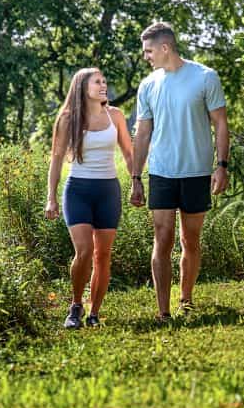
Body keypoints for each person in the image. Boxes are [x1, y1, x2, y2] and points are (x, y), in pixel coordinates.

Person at [129, 22, 229, 322]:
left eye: (148, 51)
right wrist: (136, 177)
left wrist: (221, 166)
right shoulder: (148, 85)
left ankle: (186, 298)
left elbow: (221, 124)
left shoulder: (205, 77)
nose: (146, 56)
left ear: (164, 47)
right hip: (161, 171)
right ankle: (163, 311)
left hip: (197, 171)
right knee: (163, 236)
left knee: (191, 239)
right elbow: (143, 133)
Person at [45, 68, 134, 329]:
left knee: (102, 255)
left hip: (108, 191)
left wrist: (137, 182)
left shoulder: (115, 115)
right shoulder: (67, 119)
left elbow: (128, 153)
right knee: (84, 251)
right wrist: (51, 197)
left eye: (105, 81)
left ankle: (94, 313)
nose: (104, 85)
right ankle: (75, 306)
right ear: (83, 87)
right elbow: (57, 159)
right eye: (98, 82)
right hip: (78, 191)